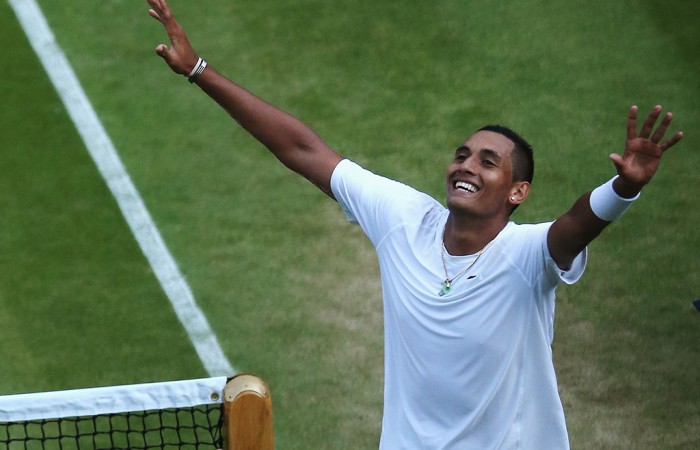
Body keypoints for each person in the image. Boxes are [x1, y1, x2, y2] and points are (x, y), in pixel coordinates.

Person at [145, 1, 684, 448]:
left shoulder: (525, 257)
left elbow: (575, 225)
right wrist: (199, 71)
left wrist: (625, 187)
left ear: (518, 192)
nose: (467, 165)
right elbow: (302, 148)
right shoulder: (404, 218)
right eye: (462, 154)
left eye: (488, 162)